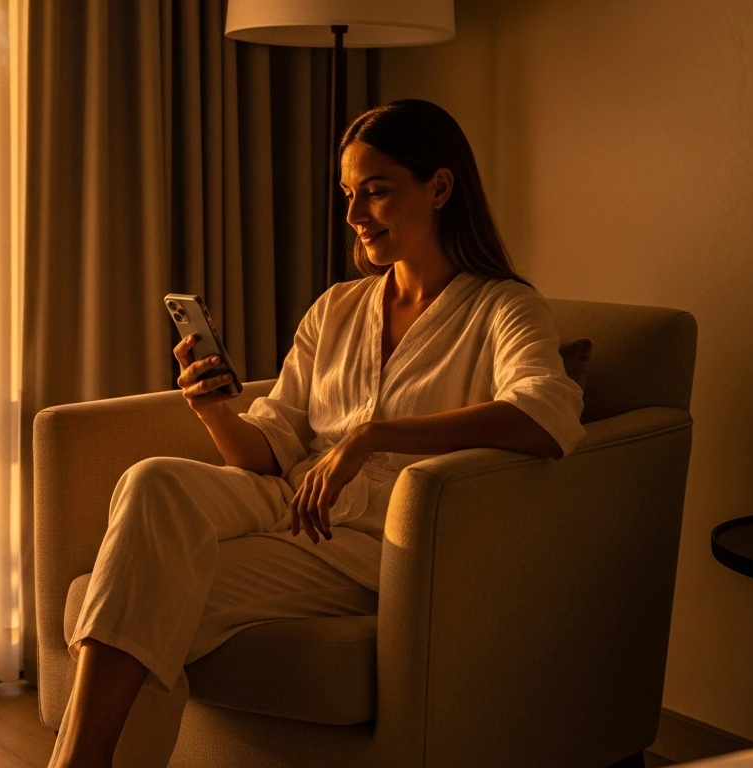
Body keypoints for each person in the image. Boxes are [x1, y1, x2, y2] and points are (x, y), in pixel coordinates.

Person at [48, 99, 586, 768]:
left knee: (143, 602)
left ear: (440, 188)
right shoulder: (337, 307)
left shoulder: (503, 307)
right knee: (151, 480)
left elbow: (547, 416)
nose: (355, 215)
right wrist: (214, 411)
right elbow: (266, 453)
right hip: (292, 502)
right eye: (348, 194)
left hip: (379, 543)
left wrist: (371, 436)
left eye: (376, 191)